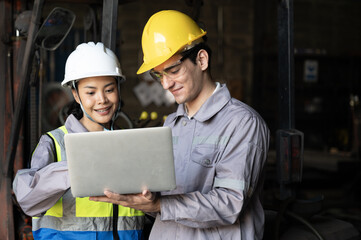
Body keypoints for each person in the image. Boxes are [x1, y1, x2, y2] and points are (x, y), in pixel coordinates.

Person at [90, 10, 270, 240]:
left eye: (173, 70)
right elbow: (164, 198)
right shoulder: (173, 125)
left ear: (202, 60)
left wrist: (160, 205)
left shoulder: (242, 123)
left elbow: (230, 203)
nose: (166, 84)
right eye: (158, 75)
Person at [13, 42, 145, 240]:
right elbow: (27, 200)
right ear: (76, 94)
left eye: (109, 89)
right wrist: (78, 167)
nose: (102, 99)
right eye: (91, 93)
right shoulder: (54, 143)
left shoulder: (130, 144)